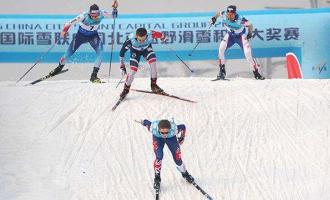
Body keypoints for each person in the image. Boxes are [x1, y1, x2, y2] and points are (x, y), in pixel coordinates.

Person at [49, 1, 119, 83]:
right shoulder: (83, 16)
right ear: (90, 13)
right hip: (80, 37)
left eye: (96, 14)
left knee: (101, 52)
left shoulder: (102, 13)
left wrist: (115, 8)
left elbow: (114, 16)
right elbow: (69, 23)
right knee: (68, 54)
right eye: (93, 14)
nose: (95, 16)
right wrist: (64, 31)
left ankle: (94, 76)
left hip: (93, 36)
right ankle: (59, 68)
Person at [210, 5, 265, 80]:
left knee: (248, 54)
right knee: (221, 49)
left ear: (235, 13)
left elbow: (250, 25)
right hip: (230, 36)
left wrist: (249, 34)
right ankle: (222, 71)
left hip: (241, 36)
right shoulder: (224, 14)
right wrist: (214, 18)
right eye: (228, 14)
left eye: (232, 14)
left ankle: (256, 73)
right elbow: (218, 13)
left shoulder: (240, 19)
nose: (230, 16)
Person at [141, 119, 195, 190]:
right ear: (158, 129)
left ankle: (185, 173)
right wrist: (143, 122)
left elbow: (183, 127)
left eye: (167, 132)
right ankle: (157, 178)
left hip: (171, 138)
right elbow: (147, 122)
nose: (164, 134)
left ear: (170, 130)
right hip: (158, 138)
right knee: (159, 156)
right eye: (162, 132)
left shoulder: (174, 129)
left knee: (178, 158)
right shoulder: (153, 128)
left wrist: (182, 137)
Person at [118, 27, 167, 100]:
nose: (141, 41)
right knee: (133, 71)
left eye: (144, 39)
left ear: (146, 35)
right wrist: (122, 66)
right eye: (139, 40)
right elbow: (122, 53)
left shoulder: (151, 34)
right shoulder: (130, 40)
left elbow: (162, 35)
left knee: (153, 63)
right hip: (135, 52)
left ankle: (153, 85)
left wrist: (163, 39)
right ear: (136, 36)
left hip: (146, 50)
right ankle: (126, 89)